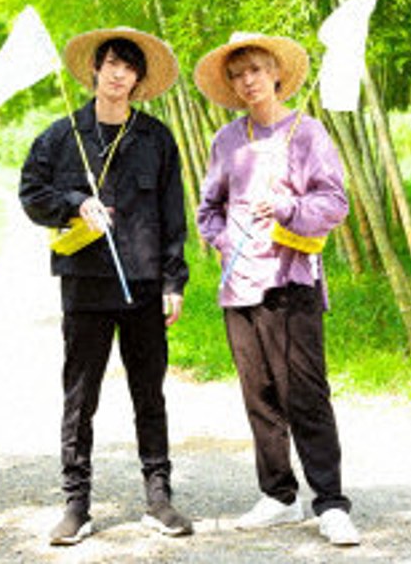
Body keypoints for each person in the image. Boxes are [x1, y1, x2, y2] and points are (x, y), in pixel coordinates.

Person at [19, 27, 193, 545]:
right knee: (80, 397)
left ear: (139, 79)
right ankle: (76, 505)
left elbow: (172, 215)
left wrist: (173, 280)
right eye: (111, 63)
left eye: (129, 66)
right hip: (85, 285)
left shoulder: (156, 139)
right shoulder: (60, 136)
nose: (119, 74)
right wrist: (75, 203)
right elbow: (31, 194)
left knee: (149, 393)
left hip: (144, 285)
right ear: (95, 70)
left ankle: (158, 498)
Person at [195, 31, 360, 547]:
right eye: (237, 75)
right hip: (239, 285)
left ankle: (330, 502)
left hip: (292, 281)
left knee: (305, 394)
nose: (248, 81)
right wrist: (225, 240)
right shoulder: (227, 140)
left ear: (277, 75)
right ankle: (279, 495)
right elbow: (208, 209)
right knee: (260, 396)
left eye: (256, 71)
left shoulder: (308, 133)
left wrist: (288, 208)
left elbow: (334, 202)